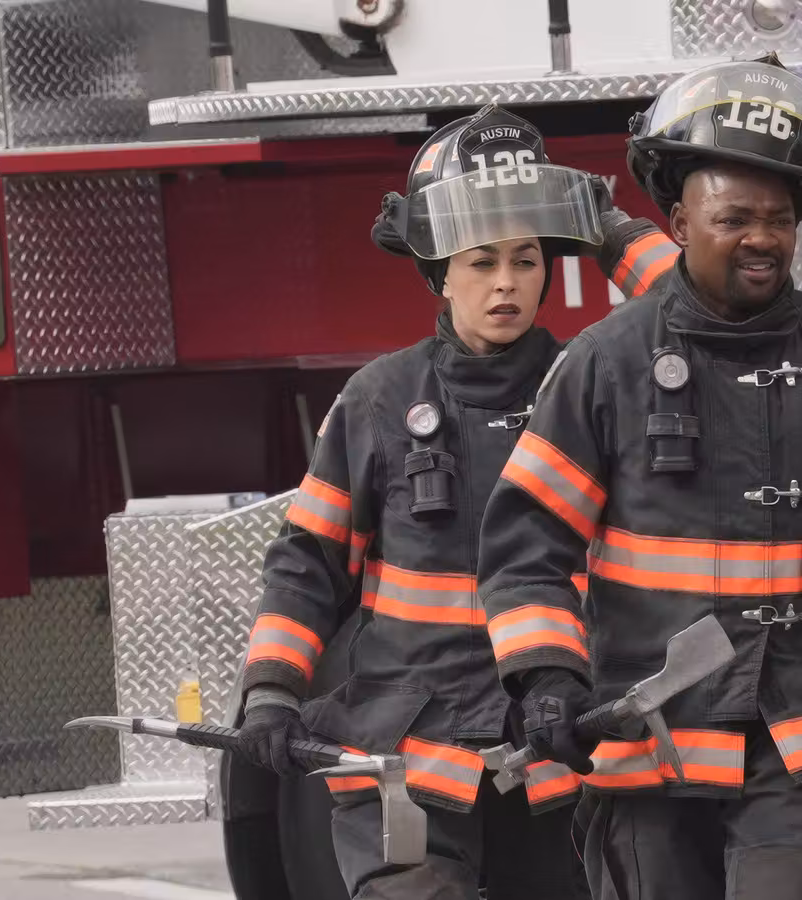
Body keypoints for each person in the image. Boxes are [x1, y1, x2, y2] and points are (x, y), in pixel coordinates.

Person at [474, 55, 802, 899]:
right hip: (650, 749)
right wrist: (545, 678)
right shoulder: (607, 365)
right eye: (734, 218)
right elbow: (527, 546)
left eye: (779, 219)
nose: (761, 238)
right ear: (680, 223)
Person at [228, 103, 648, 900]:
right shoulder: (379, 400)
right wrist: (273, 692)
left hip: (556, 758)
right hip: (408, 758)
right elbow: (307, 565)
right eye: (481, 261)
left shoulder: (593, 389)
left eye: (526, 260)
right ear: (440, 273)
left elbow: (697, 320)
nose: (505, 283)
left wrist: (616, 234)